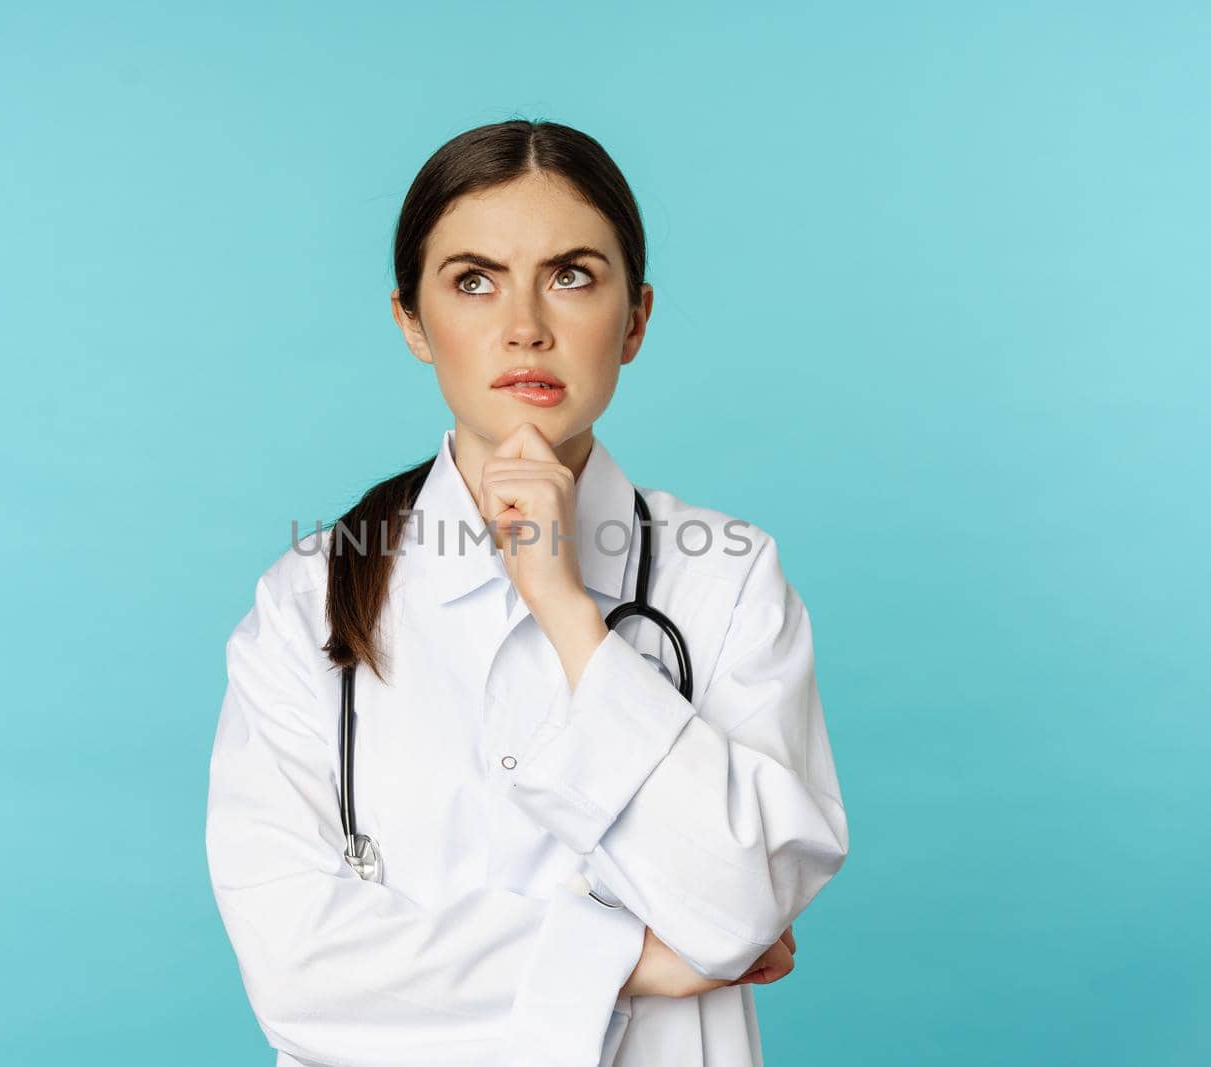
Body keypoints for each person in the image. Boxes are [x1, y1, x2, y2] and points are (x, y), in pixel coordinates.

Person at [205, 119, 850, 1067]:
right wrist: (628, 956)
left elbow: (743, 904)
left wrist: (563, 606)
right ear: (412, 323)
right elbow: (299, 972)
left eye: (572, 275)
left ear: (635, 319)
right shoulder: (305, 602)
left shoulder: (727, 576)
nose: (524, 326)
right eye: (474, 280)